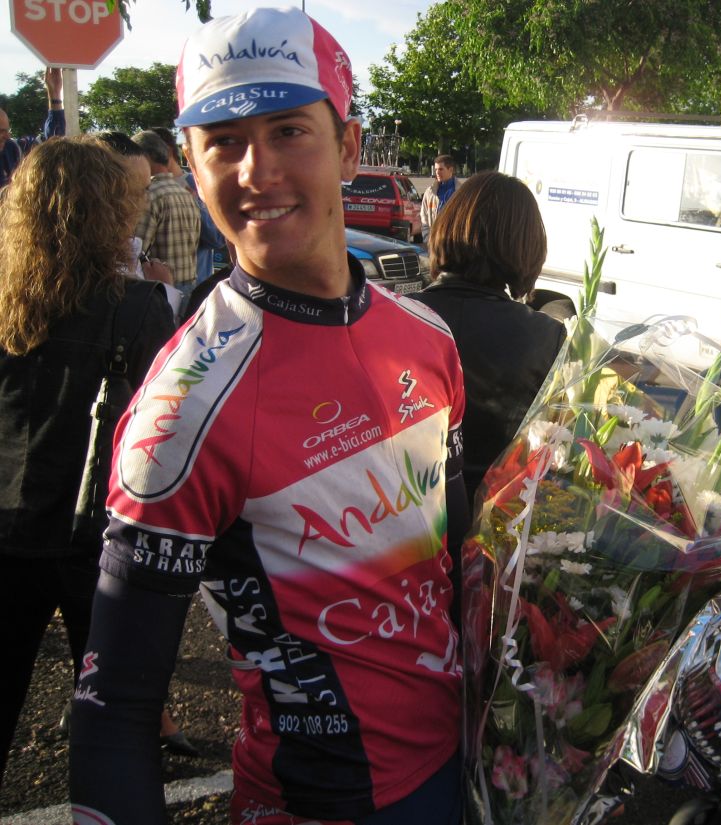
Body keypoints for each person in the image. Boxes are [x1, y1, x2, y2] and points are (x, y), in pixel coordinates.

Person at [69, 8, 467, 825]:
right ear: (190, 164)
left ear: (349, 146)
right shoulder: (182, 409)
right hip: (320, 805)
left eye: (289, 130)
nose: (257, 170)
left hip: (471, 765)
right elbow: (113, 713)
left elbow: (460, 560)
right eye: (224, 141)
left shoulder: (427, 336)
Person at [0, 136, 176, 786]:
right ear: (107, 213)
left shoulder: (7, 300)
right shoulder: (138, 307)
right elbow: (165, 436)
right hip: (99, 538)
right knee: (116, 722)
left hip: (9, 525)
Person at [412, 170, 566, 509]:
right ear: (527, 247)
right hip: (496, 520)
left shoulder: (396, 317)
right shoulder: (546, 335)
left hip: (399, 515)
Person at [130, 129, 202, 305]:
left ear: (145, 157)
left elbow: (135, 250)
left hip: (161, 288)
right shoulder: (186, 193)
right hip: (190, 284)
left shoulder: (150, 196)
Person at [151, 125, 227, 288]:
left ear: (166, 151)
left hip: (197, 285)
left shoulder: (198, 184)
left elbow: (218, 239)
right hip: (159, 288)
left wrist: (195, 202)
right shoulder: (148, 188)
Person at [0, 67, 65, 187]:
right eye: (1, 131)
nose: (7, 136)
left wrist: (55, 95)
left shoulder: (12, 150)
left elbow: (52, 144)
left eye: (7, 131)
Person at [420, 154, 461, 239]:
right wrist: (427, 238)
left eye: (441, 169)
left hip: (455, 241)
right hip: (434, 241)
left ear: (451, 170)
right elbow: (424, 217)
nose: (437, 172)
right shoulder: (430, 192)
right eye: (436, 169)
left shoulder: (461, 192)